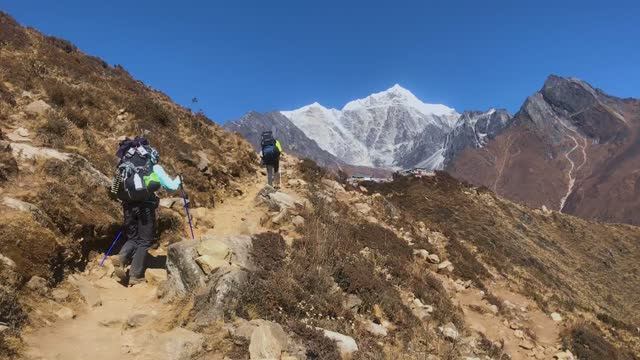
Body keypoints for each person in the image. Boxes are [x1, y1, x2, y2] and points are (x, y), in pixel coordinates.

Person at [109, 137, 181, 285]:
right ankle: (136, 276)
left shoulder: (123, 166)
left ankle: (121, 258)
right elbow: (172, 187)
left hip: (128, 206)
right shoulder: (154, 167)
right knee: (144, 241)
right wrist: (179, 179)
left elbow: (114, 189)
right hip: (146, 207)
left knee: (133, 238)